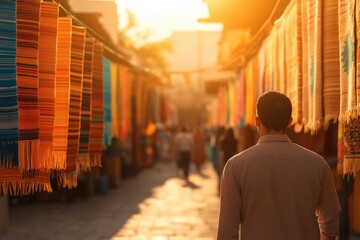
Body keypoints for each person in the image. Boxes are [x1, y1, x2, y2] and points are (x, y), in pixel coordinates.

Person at [217, 91, 341, 240]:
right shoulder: (317, 164)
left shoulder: (235, 166)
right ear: (289, 122)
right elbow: (331, 224)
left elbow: (227, 231)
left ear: (257, 121)